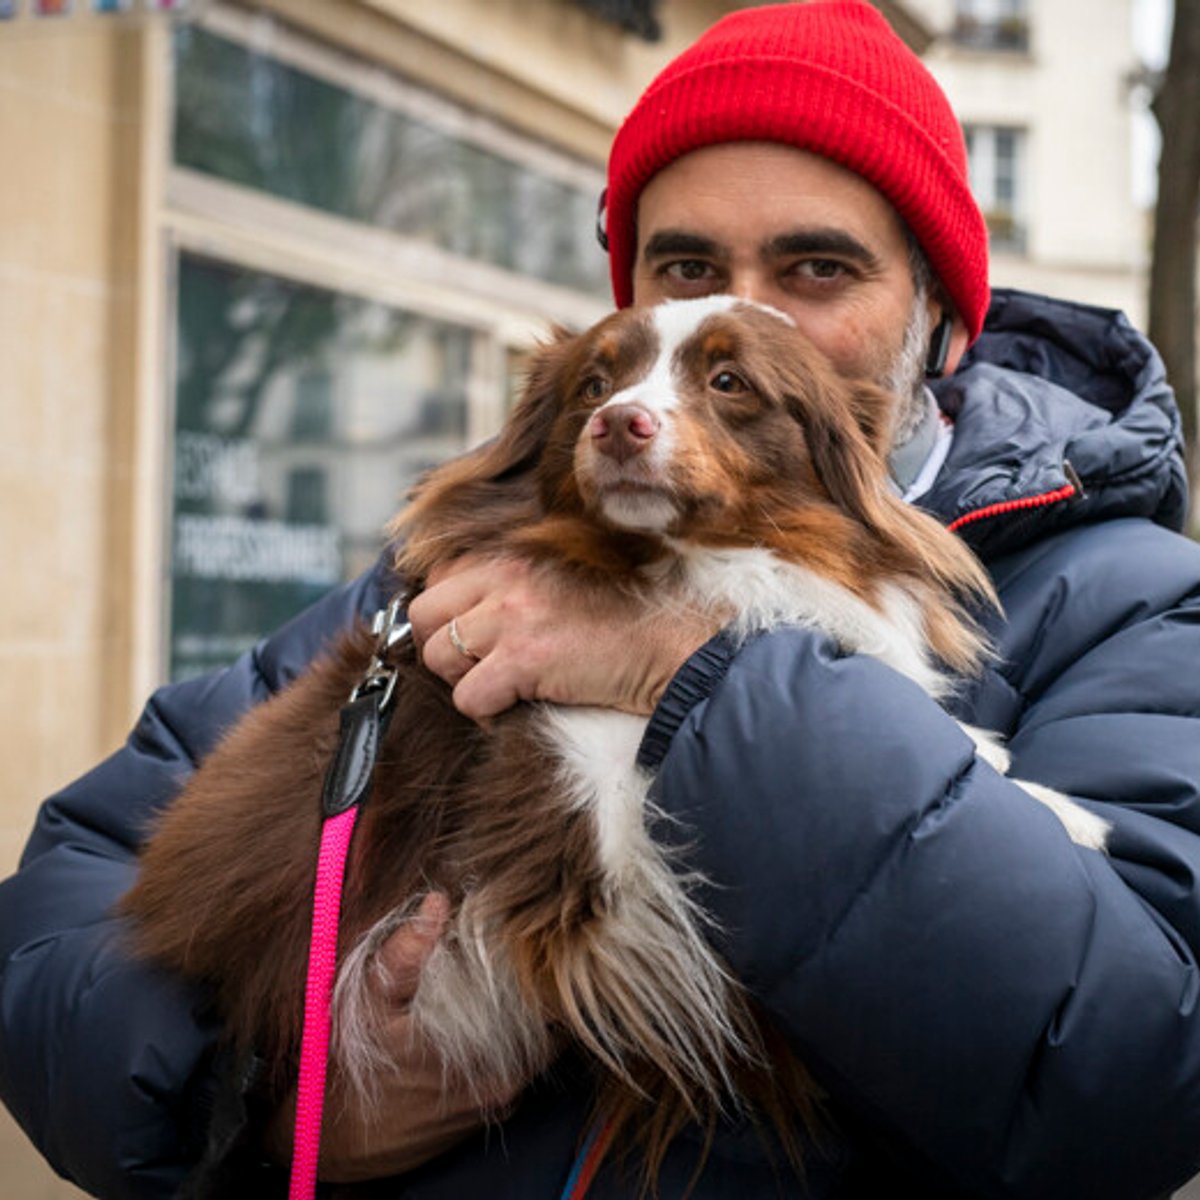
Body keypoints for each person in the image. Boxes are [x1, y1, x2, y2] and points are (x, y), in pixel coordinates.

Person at [3, 2, 1200, 1196]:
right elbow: (64, 913)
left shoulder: (1127, 605)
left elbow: (1140, 1073)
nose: (752, 312)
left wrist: (686, 672)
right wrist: (279, 1105)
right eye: (687, 269)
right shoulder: (464, 572)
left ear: (939, 320)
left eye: (817, 266)